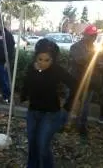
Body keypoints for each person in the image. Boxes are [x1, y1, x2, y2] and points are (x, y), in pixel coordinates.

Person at [20, 38, 77, 168]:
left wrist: (68, 106)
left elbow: (75, 85)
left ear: (53, 59)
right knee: (33, 145)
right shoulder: (31, 68)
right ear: (36, 57)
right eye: (40, 59)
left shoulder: (57, 70)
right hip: (33, 112)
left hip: (51, 114)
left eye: (47, 60)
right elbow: (27, 83)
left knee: (42, 146)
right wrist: (23, 97)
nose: (43, 63)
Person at [68, 25, 99, 136]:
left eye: (95, 35)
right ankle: (65, 123)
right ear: (85, 35)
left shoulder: (95, 48)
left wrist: (100, 63)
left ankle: (82, 126)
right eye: (91, 35)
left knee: (85, 105)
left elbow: (97, 64)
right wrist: (91, 55)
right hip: (75, 80)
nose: (93, 38)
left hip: (89, 81)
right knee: (70, 102)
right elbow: (79, 60)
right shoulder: (75, 47)